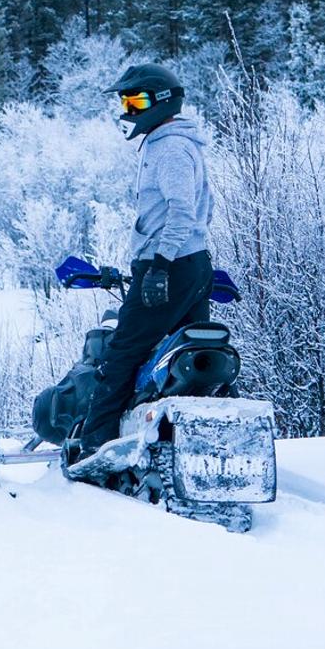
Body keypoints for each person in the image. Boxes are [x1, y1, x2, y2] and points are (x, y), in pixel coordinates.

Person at [71, 63, 217, 461]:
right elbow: (203, 208)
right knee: (180, 356)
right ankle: (183, 440)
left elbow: (182, 211)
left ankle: (95, 444)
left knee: (124, 351)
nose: (128, 109)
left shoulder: (169, 148)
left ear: (161, 102)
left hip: (167, 265)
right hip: (189, 263)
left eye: (135, 100)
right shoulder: (170, 143)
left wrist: (160, 264)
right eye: (125, 101)